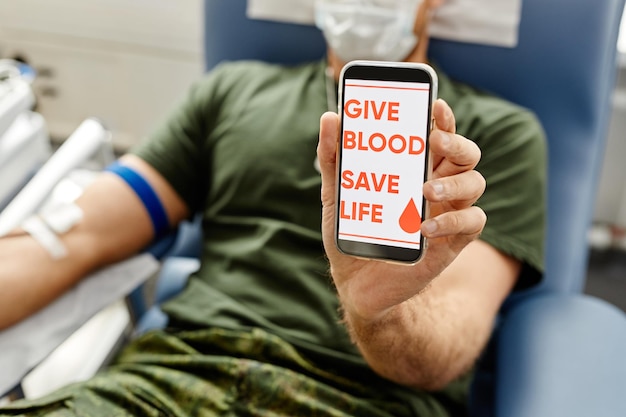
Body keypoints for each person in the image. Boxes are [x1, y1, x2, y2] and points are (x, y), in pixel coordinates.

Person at [0, 0, 546, 415]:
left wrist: (378, 308)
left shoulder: (488, 139)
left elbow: (446, 350)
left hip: (359, 401)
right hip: (171, 381)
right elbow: (69, 239)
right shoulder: (232, 92)